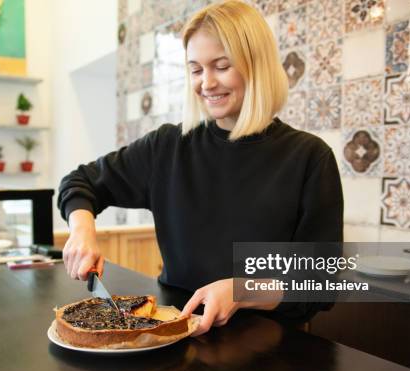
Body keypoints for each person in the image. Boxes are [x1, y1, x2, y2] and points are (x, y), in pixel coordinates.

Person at [58, 0, 343, 336]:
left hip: (274, 353)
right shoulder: (168, 147)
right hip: (174, 338)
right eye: (196, 69)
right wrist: (82, 229)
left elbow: (321, 282)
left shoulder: (309, 157)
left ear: (258, 66)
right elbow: (80, 182)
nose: (206, 83)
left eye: (221, 66)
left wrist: (241, 291)